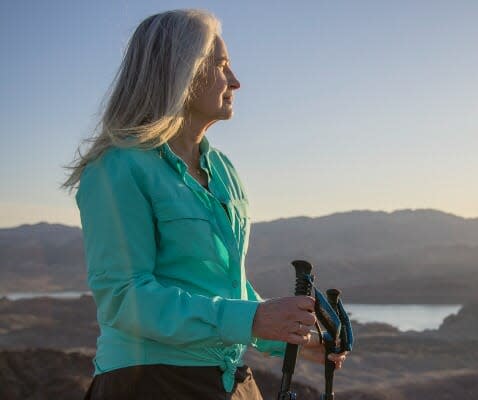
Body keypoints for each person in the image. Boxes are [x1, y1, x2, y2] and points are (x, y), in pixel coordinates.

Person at [60, 9, 347, 399]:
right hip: (149, 382)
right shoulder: (118, 168)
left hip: (229, 381)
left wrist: (292, 339)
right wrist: (255, 319)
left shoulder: (223, 169)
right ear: (183, 72)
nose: (235, 81)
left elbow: (224, 287)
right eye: (222, 66)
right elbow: (125, 298)